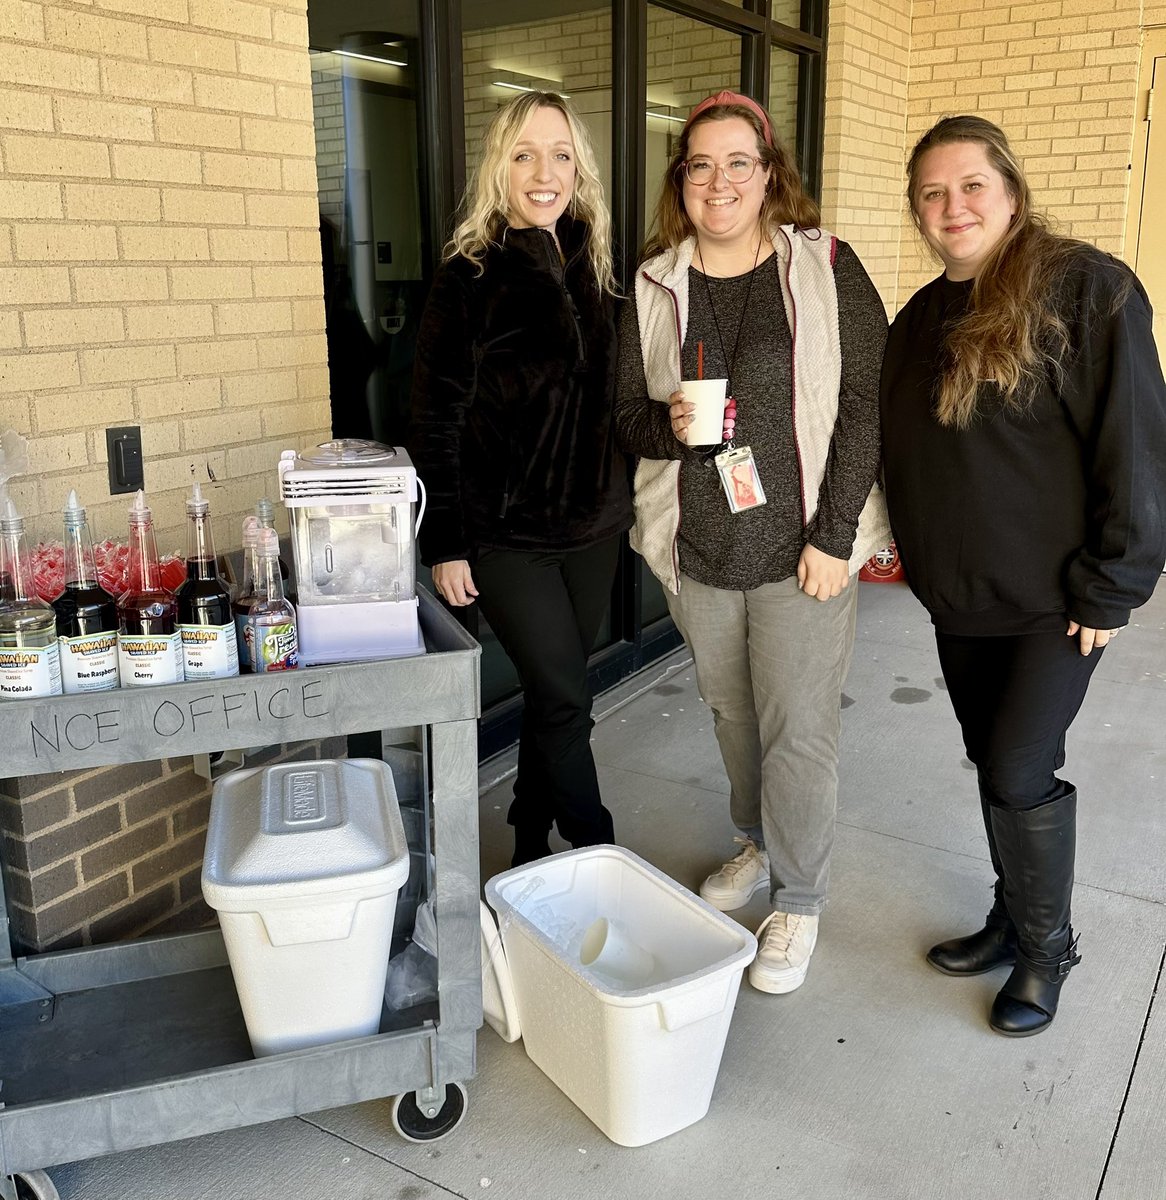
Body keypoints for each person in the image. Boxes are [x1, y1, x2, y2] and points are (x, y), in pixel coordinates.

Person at [881, 115, 1166, 1036]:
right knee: (994, 760)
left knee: (1018, 763)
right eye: (932, 192)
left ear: (1010, 191)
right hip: (962, 596)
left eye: (972, 185)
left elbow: (1135, 443)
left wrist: (1114, 583)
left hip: (1058, 600)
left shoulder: (1084, 289)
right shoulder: (919, 319)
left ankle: (1048, 948)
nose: (952, 206)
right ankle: (1012, 919)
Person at [615, 91, 889, 994]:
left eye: (739, 162)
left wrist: (836, 535)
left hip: (803, 551)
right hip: (698, 553)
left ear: (770, 175)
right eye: (700, 165)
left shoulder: (825, 266)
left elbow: (866, 405)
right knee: (733, 716)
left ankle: (799, 901)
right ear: (681, 181)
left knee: (797, 730)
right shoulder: (655, 284)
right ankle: (757, 841)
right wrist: (667, 426)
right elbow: (626, 417)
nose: (719, 181)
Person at [411, 91, 632, 867]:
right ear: (498, 167)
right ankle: (597, 853)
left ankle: (529, 840)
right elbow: (434, 420)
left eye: (561, 155)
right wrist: (445, 543)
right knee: (567, 697)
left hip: (595, 525)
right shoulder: (467, 277)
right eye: (525, 155)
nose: (545, 173)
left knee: (553, 694)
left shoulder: (598, 265)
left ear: (580, 169)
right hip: (507, 536)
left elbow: (614, 399)